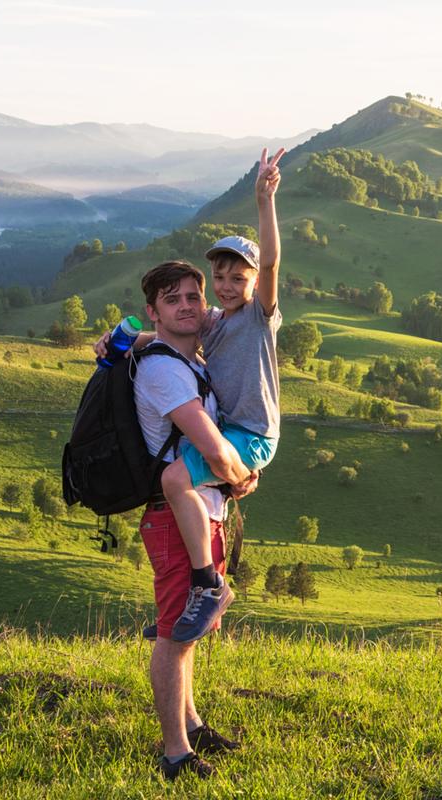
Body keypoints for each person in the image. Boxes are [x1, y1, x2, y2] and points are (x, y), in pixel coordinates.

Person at [98, 148, 285, 644]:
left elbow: (270, 263)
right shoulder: (211, 323)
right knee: (177, 478)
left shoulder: (258, 316)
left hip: (251, 433)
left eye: (236, 278)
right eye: (218, 279)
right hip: (227, 431)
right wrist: (120, 341)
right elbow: (165, 326)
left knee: (178, 479)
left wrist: (264, 199)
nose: (226, 287)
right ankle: (181, 597)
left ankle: (206, 585)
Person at [132, 260, 260, 780]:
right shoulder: (165, 370)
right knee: (173, 633)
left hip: (200, 511)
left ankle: (191, 721)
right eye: (172, 299)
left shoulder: (189, 360)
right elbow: (210, 445)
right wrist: (239, 473)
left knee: (190, 628)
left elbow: (216, 453)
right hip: (173, 517)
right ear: (154, 311)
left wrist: (126, 337)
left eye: (192, 296)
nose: (185, 306)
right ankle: (175, 753)